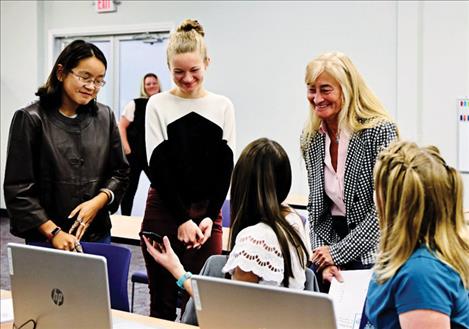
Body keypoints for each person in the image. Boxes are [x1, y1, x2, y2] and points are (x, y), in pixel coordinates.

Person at [142, 19, 236, 320]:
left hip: (209, 212)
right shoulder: (158, 104)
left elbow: (226, 167)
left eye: (194, 70)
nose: (187, 78)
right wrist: (182, 219)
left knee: (205, 303)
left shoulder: (222, 106)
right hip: (165, 210)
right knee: (163, 302)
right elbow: (157, 166)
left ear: (207, 63)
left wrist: (208, 215)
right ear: (168, 67)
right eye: (178, 72)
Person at [143, 138, 310, 298]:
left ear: (242, 183)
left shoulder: (255, 239)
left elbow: (228, 312)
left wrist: (177, 269)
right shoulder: (293, 220)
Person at [4, 40, 129, 251]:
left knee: (96, 284)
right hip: (46, 237)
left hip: (96, 233)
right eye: (85, 77)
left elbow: (120, 172)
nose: (91, 87)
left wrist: (98, 201)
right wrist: (53, 232)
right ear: (61, 73)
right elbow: (19, 189)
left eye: (99, 81)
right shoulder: (31, 118)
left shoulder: (105, 116)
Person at [300, 51, 399, 291]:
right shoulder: (310, 139)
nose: (317, 98)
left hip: (375, 252)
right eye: (312, 89)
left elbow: (383, 212)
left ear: (347, 90)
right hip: (330, 251)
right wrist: (324, 260)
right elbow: (316, 210)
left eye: (326, 89)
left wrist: (337, 253)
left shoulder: (379, 132)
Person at [365, 141, 469, 328]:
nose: (373, 196)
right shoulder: (408, 259)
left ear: (393, 202)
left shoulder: (421, 274)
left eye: (376, 188)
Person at [118, 73, 161, 215]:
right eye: (148, 84)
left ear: (158, 84)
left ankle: (158, 219)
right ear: (144, 86)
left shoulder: (163, 105)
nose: (151, 86)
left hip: (152, 156)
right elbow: (121, 126)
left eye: (154, 83)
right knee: (129, 190)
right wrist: (126, 148)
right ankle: (125, 218)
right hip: (134, 155)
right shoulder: (135, 104)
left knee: (161, 187)